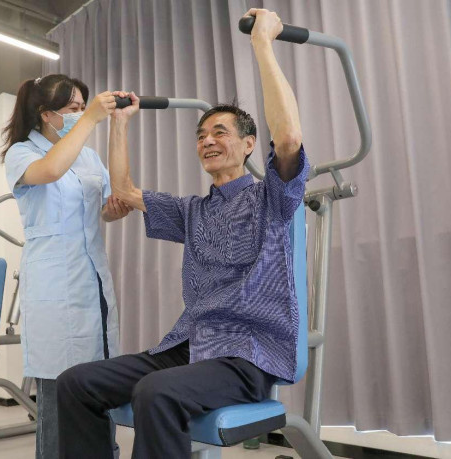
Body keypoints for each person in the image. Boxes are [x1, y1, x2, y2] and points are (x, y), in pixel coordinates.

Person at [57, 9, 309, 458]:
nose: (207, 141)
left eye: (220, 132)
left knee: (157, 392)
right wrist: (120, 123)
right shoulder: (191, 211)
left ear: (249, 144)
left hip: (246, 355)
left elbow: (288, 138)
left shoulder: (273, 199)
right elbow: (124, 192)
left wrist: (262, 44)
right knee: (77, 382)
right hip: (189, 346)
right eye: (200, 135)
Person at [1, 74, 131, 458]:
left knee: (100, 383)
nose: (79, 114)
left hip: (92, 281)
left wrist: (118, 126)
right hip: (54, 286)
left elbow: (111, 202)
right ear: (45, 114)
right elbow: (51, 171)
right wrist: (90, 118)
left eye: (82, 107)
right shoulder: (22, 153)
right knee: (60, 393)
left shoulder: (88, 156)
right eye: (72, 109)